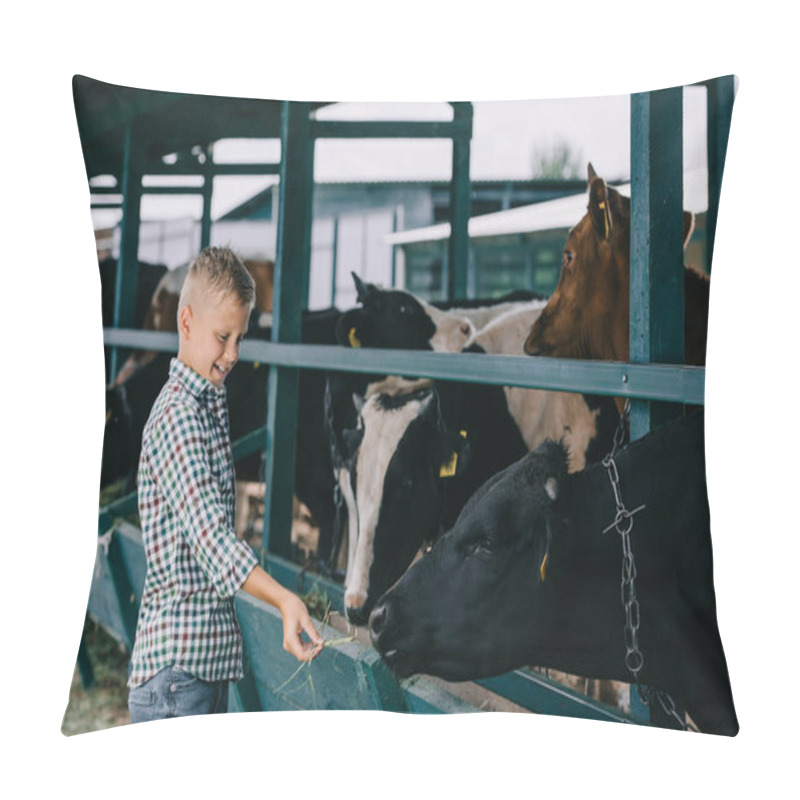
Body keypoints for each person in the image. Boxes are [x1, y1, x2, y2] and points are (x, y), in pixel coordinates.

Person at [127, 246, 322, 723]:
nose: (233, 354)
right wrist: (285, 599)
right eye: (222, 337)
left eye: (239, 338)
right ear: (186, 323)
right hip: (177, 678)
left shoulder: (205, 407)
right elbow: (214, 542)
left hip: (196, 672)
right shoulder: (179, 419)